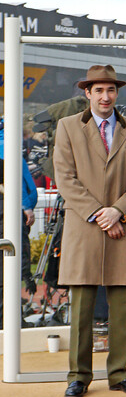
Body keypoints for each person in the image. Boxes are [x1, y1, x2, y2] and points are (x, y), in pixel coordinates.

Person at [53, 65, 126, 397]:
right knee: (81, 309)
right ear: (87, 93)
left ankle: (120, 373)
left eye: (111, 90)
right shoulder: (67, 127)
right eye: (99, 90)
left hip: (122, 225)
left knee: (121, 308)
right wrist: (99, 214)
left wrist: (118, 210)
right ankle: (78, 375)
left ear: (116, 93)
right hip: (85, 227)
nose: (106, 97)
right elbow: (65, 178)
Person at [0, 123, 39, 329]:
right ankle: (9, 318)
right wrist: (26, 206)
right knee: (14, 262)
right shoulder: (6, 146)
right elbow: (12, 179)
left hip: (14, 211)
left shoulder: (7, 145)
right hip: (14, 213)